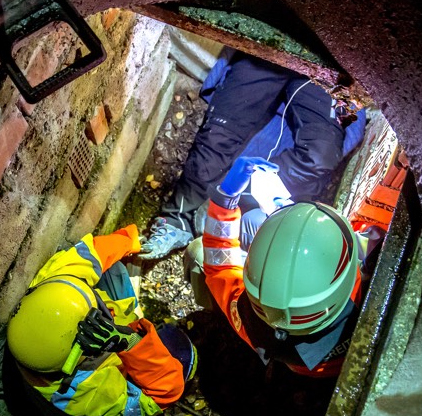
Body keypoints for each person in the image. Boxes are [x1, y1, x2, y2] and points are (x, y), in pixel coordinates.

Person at [193, 156, 384, 416]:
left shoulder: (253, 323)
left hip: (293, 368)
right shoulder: (361, 293)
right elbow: (359, 244)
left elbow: (218, 262)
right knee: (257, 220)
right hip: (328, 373)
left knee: (209, 245)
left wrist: (225, 200)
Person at [138, 49, 364, 260]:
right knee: (219, 132)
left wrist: (235, 190)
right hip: (271, 51)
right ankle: (177, 221)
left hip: (327, 70)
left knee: (319, 157)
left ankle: (229, 199)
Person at [5, 224, 198, 416]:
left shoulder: (54, 287)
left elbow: (91, 253)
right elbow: (165, 394)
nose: (100, 311)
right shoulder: (87, 392)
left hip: (102, 345)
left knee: (114, 270)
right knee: (179, 360)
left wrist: (131, 241)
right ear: (76, 358)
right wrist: (131, 343)